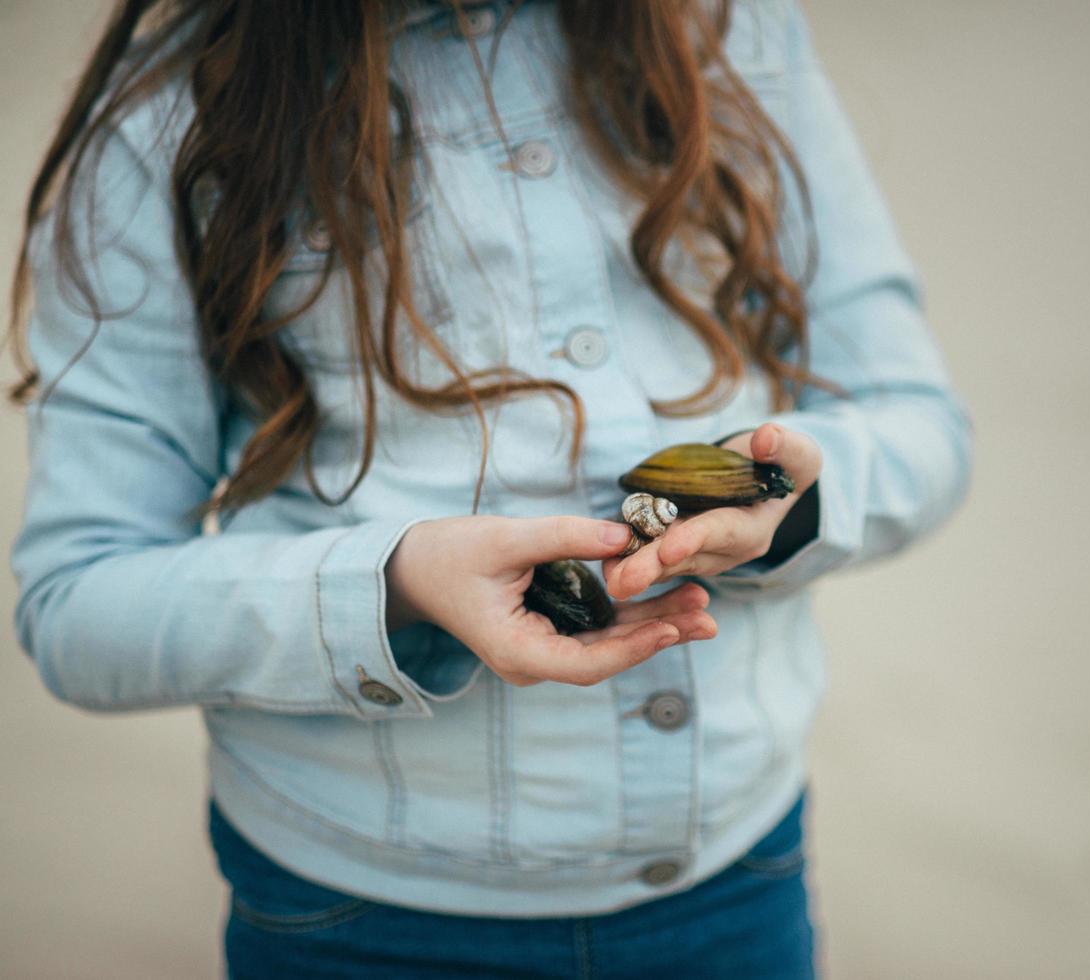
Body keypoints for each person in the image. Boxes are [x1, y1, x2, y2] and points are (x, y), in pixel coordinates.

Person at [7, 0, 972, 975]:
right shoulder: (164, 121)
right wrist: (394, 584)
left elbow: (921, 426)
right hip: (361, 919)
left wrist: (797, 498)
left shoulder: (730, 28)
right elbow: (76, 602)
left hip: (736, 878)